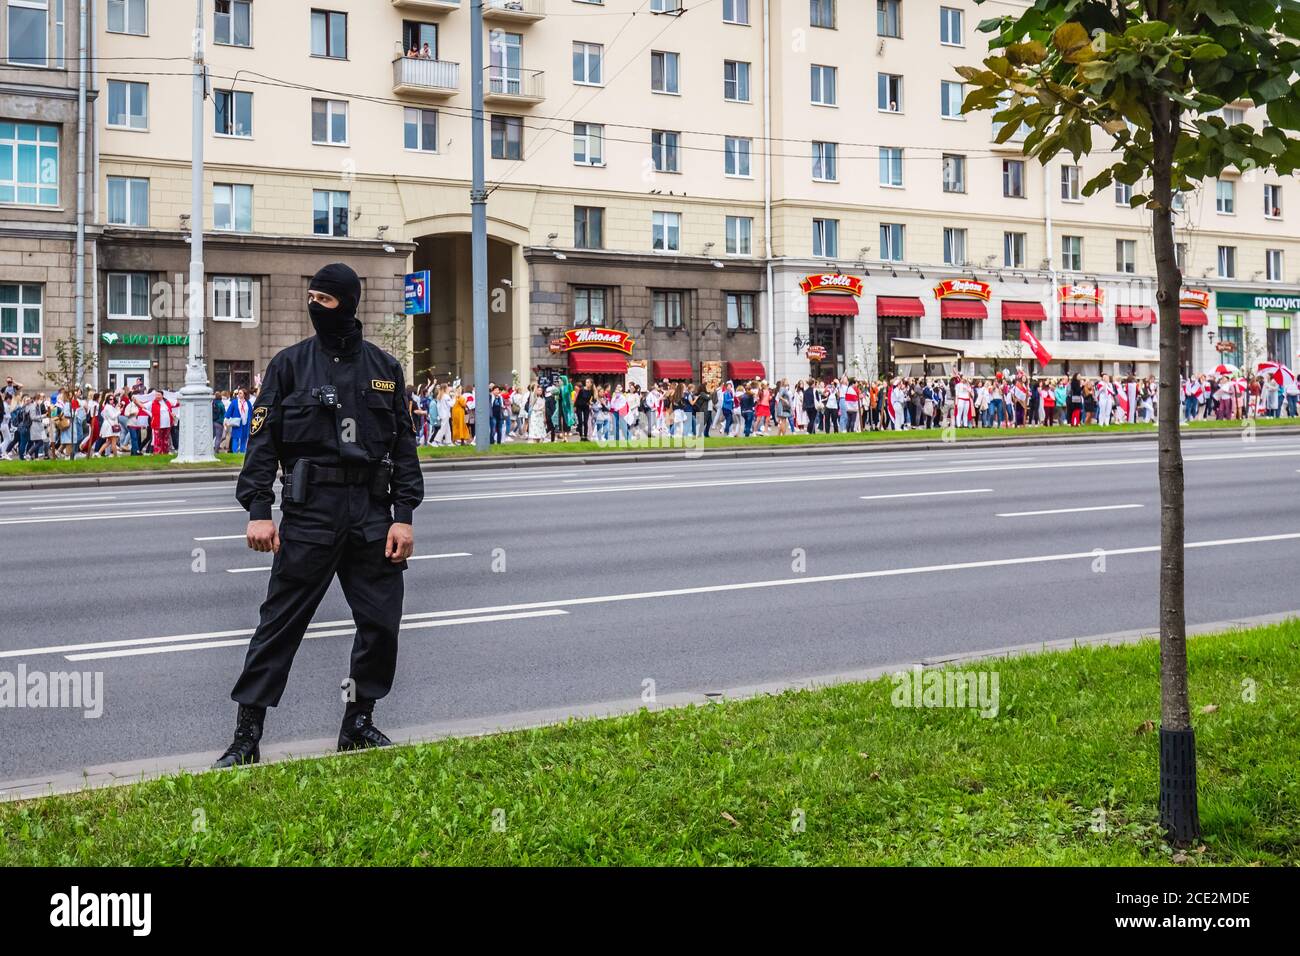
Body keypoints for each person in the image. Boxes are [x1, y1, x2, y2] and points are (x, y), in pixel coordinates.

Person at [213, 263, 424, 769]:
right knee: (280, 625)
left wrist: (403, 514)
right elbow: (261, 444)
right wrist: (259, 510)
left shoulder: (385, 369)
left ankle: (357, 723)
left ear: (348, 304)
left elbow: (403, 444)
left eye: (324, 300)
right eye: (311, 298)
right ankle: (247, 735)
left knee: (381, 624)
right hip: (310, 513)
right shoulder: (289, 366)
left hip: (372, 516)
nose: (315, 307)